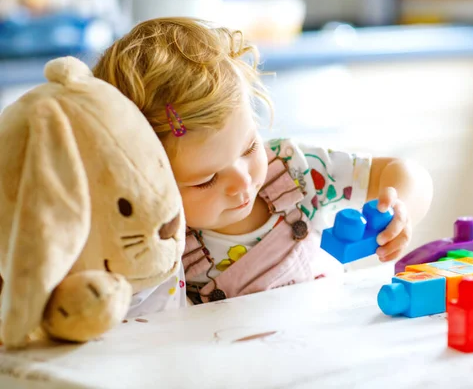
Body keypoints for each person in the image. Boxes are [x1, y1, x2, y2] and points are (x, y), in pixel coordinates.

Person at [93, 17, 433, 305]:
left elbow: (404, 171)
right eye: (206, 179)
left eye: (248, 148)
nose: (242, 181)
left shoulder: (296, 170)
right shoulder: (156, 240)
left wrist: (401, 207)